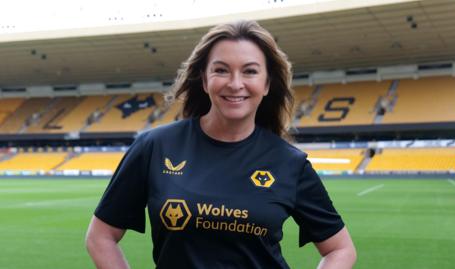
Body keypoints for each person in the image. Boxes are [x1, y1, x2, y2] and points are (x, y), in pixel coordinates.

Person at [85, 20, 356, 269]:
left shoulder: (290, 163)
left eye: (250, 71)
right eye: (221, 70)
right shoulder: (156, 146)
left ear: (266, 84)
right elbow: (100, 236)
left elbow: (340, 249)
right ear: (204, 80)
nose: (235, 83)